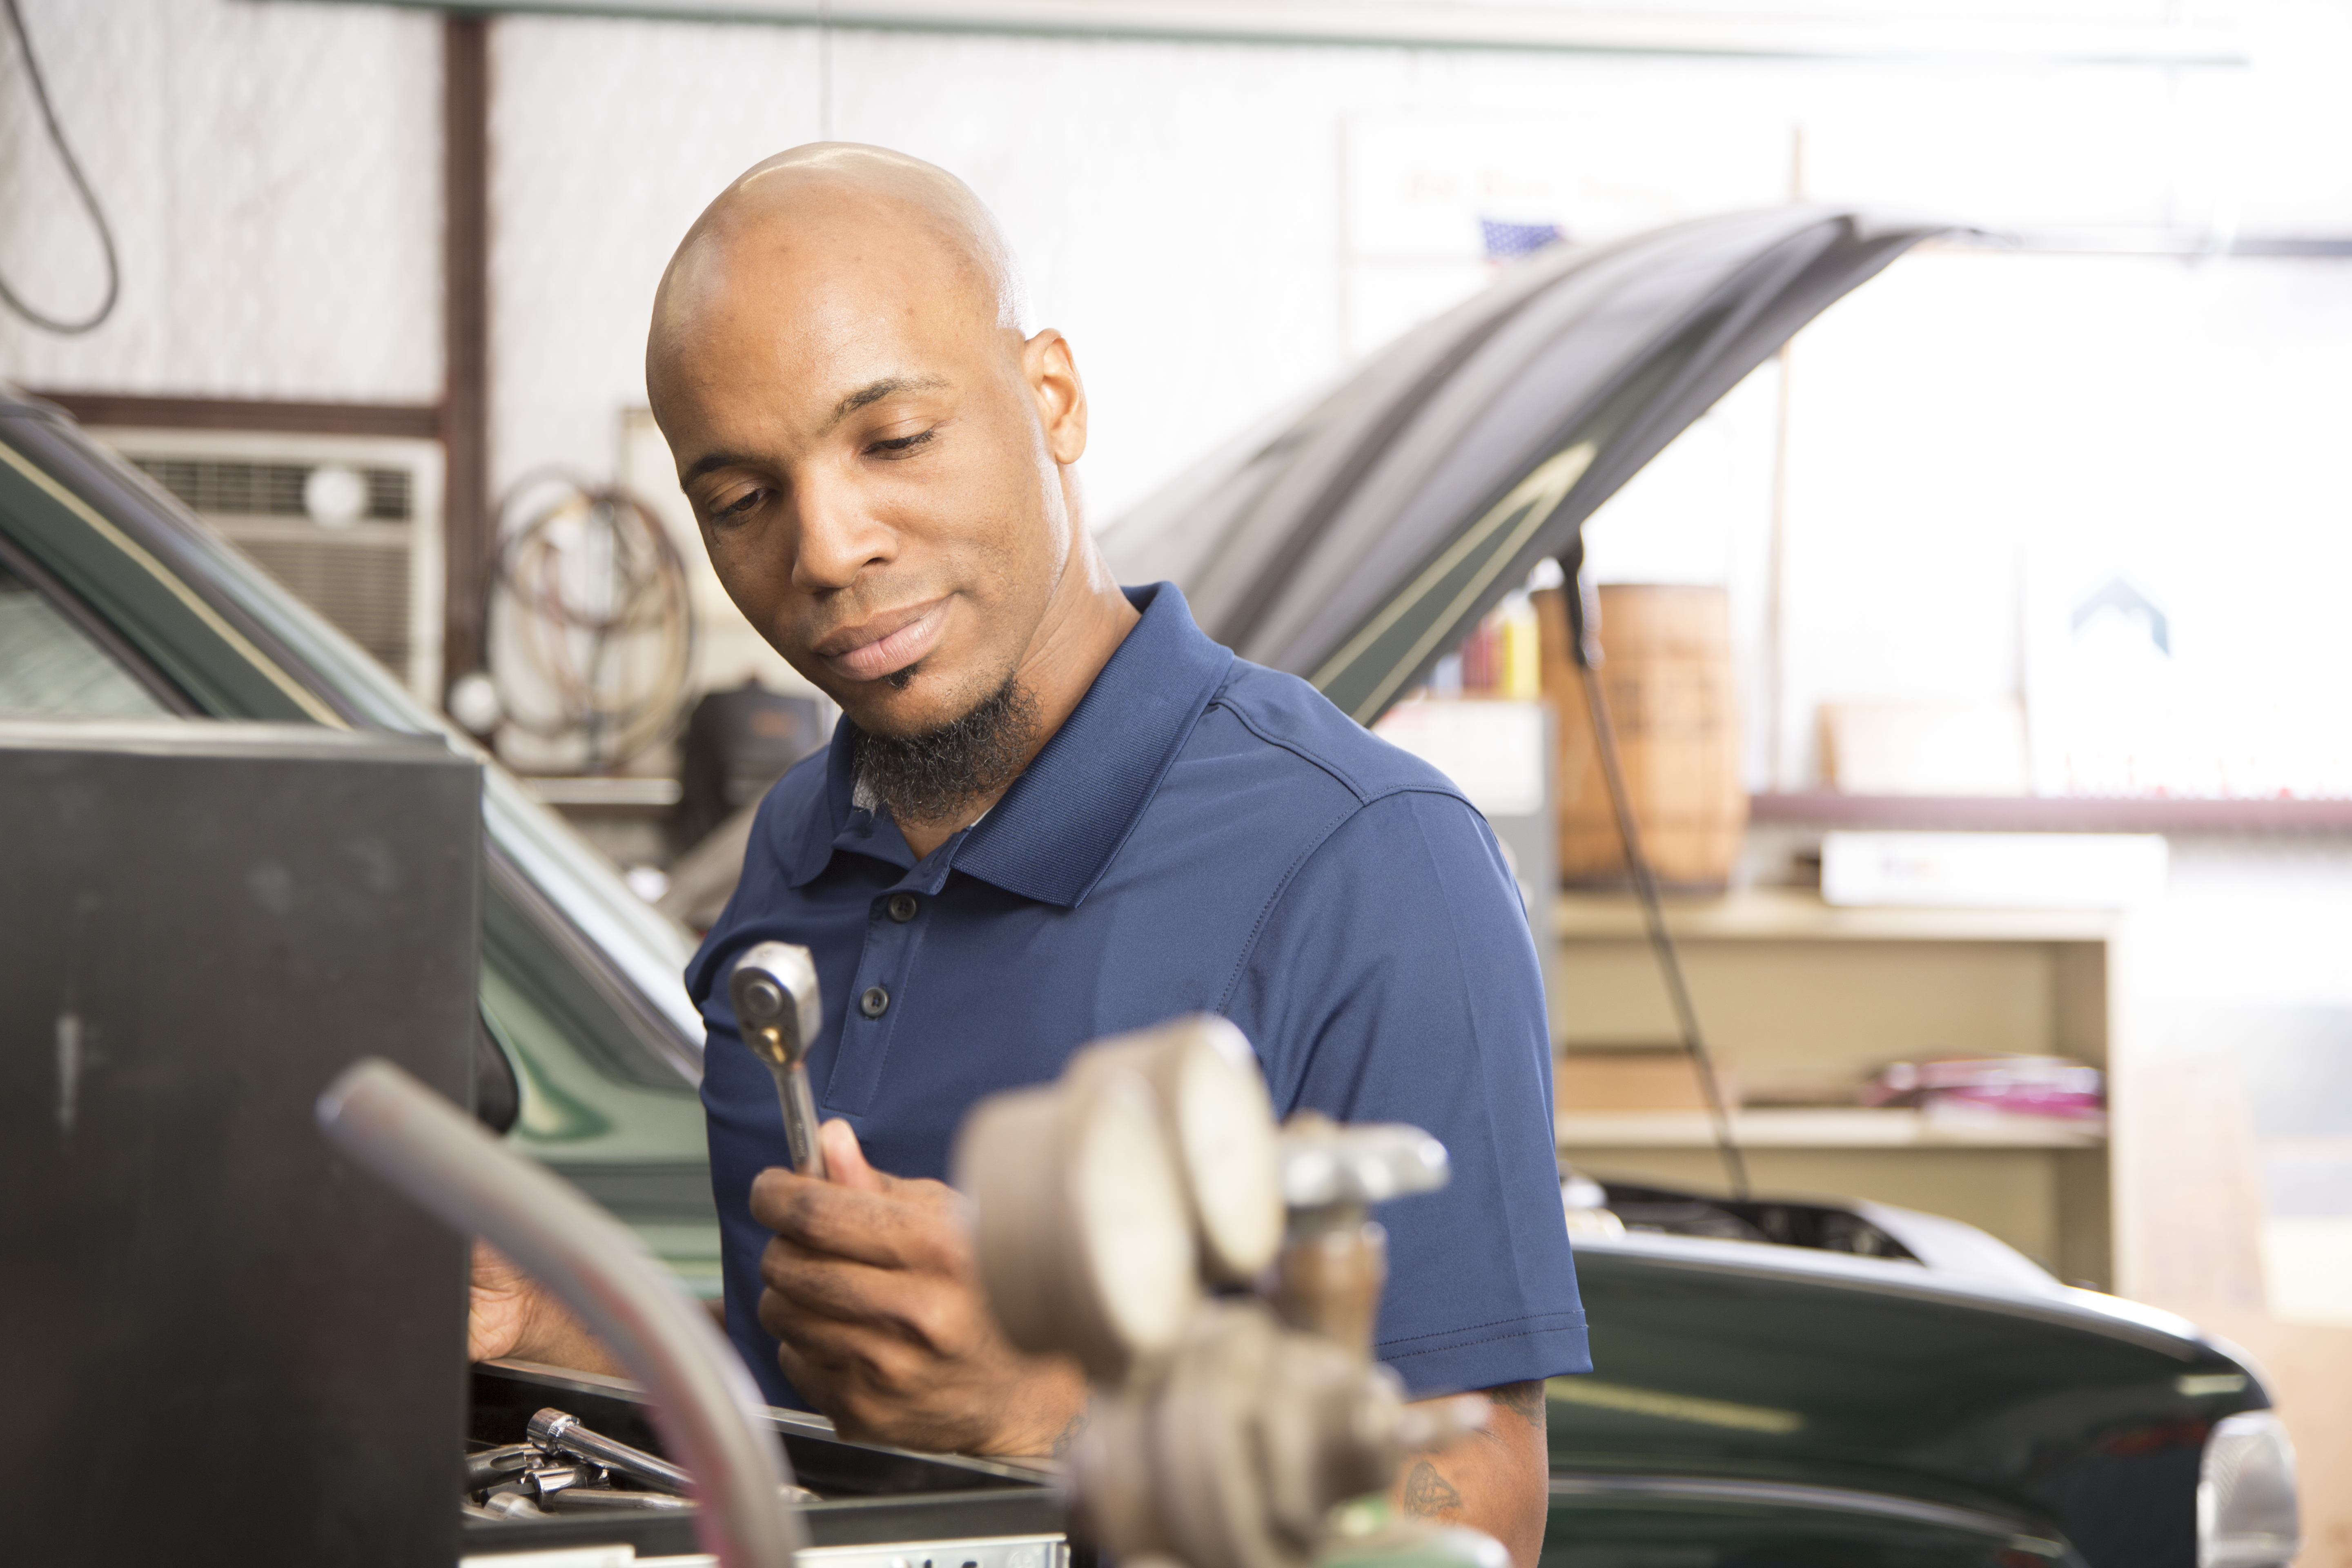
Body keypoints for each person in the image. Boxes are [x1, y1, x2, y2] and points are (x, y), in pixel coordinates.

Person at [472, 143, 1584, 1567]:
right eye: (744, 496)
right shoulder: (791, 871)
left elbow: (1477, 1512)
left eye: (893, 440)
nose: (828, 546)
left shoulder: (1372, 864)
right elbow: (820, 1421)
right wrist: (545, 1328)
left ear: (1050, 397)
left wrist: (1055, 1412)